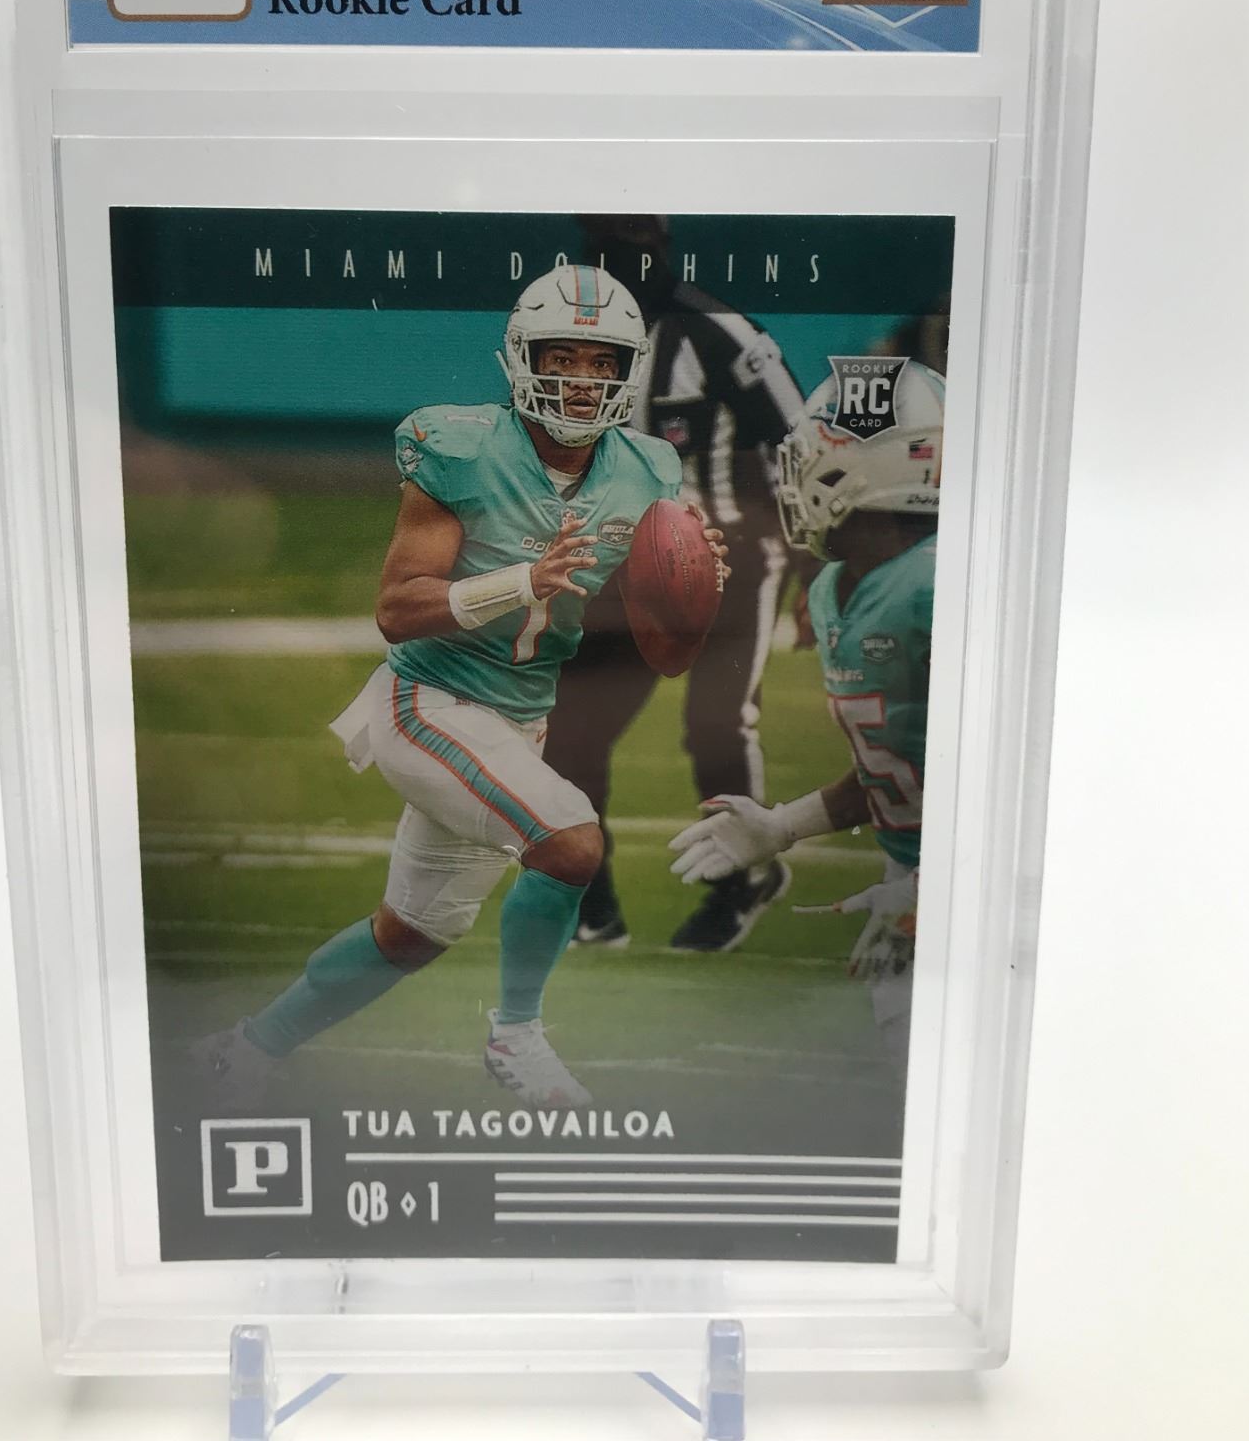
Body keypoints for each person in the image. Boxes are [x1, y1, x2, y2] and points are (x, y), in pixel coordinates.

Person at [194, 265, 725, 1111]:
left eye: (602, 362)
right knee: (571, 841)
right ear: (521, 359)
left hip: (520, 724)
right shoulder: (461, 446)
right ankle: (516, 1036)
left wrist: (693, 595)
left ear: (629, 372)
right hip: (428, 706)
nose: (581, 380)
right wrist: (523, 581)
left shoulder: (647, 471)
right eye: (562, 357)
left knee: (409, 936)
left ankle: (244, 1050)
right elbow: (398, 610)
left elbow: (665, 656)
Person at [667, 359, 945, 1061]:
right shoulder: (834, 589)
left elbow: (1016, 776)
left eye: (812, 453)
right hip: (913, 883)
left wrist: (946, 887)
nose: (792, 474)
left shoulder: (943, 584)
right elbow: (900, 765)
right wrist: (786, 826)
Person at [543, 216, 807, 952]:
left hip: (732, 558)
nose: (615, 265)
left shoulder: (716, 331)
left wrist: (815, 567)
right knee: (571, 727)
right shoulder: (577, 340)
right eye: (604, 249)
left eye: (629, 249)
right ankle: (589, 895)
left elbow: (799, 441)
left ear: (659, 249)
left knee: (718, 724)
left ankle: (742, 878)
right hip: (623, 565)